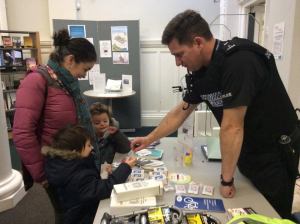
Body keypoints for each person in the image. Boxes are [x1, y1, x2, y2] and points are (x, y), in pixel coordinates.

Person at [131, 9, 300, 219]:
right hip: (246, 148)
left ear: (198, 42)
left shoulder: (241, 62)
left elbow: (232, 126)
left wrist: (226, 180)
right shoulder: (202, 71)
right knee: (244, 206)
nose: (177, 62)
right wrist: (149, 138)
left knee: (269, 214)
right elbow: (180, 112)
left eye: (179, 54)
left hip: (273, 153)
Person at [13, 29, 98, 223]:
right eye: (85, 69)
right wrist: (42, 175)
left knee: (81, 210)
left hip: (74, 164)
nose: (83, 76)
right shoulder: (36, 81)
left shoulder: (64, 82)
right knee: (67, 215)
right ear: (70, 60)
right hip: (57, 169)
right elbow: (22, 133)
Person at [42, 125, 136, 224]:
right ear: (75, 151)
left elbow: (90, 183)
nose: (91, 147)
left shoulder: (62, 163)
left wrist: (102, 169)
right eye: (88, 145)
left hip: (78, 209)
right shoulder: (77, 176)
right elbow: (104, 189)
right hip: (83, 217)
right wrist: (125, 167)